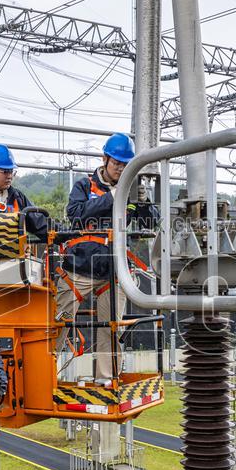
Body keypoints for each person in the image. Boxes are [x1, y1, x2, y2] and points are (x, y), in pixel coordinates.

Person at [56, 132, 158, 380]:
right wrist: (111, 197)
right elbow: (76, 214)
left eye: (125, 165)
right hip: (78, 269)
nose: (121, 169)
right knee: (59, 324)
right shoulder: (84, 186)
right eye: (117, 163)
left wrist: (144, 203)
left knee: (110, 329)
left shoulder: (133, 191)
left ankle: (106, 379)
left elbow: (151, 223)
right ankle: (44, 375)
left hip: (114, 272)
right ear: (104, 159)